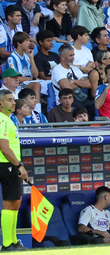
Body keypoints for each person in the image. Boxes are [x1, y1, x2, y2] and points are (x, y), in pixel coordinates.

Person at [0, 89, 28, 251]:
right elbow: (3, 147)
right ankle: (7, 244)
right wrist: (19, 165)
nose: (13, 102)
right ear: (1, 103)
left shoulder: (7, 119)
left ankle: (13, 241)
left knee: (15, 203)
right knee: (10, 204)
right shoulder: (2, 121)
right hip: (7, 165)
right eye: (10, 100)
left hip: (10, 165)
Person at [6, 32, 47, 112]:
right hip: (19, 85)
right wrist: (32, 79)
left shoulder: (27, 56)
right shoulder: (12, 58)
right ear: (19, 43)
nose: (29, 43)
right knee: (36, 85)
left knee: (51, 83)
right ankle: (38, 111)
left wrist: (31, 58)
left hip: (29, 81)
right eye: (27, 41)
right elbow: (16, 78)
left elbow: (35, 74)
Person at [50, 43, 92, 109]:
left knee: (96, 105)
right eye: (70, 55)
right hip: (65, 102)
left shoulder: (75, 69)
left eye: (73, 55)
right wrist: (80, 83)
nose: (73, 58)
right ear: (62, 57)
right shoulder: (57, 69)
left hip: (79, 99)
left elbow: (89, 84)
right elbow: (66, 88)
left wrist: (74, 81)